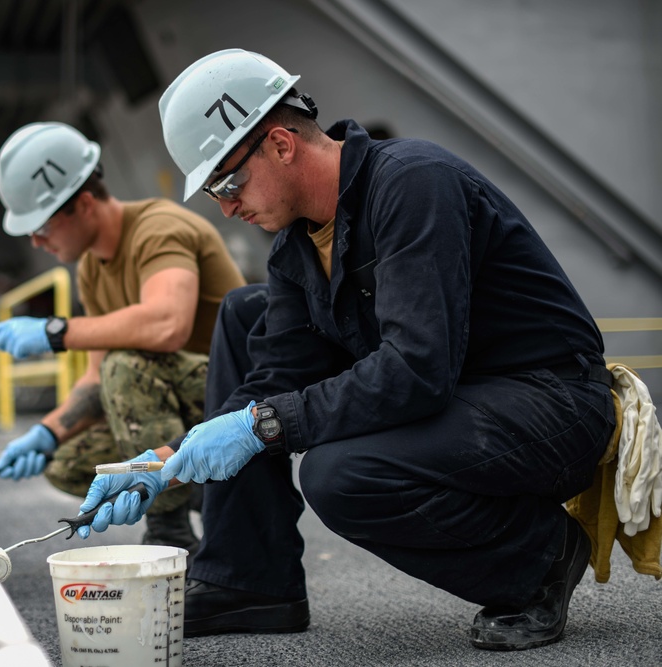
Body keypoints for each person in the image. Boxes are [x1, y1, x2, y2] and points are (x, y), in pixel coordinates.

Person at [75, 49, 616, 650]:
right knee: (242, 313)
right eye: (213, 193)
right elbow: (276, 373)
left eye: (228, 182)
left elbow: (416, 368)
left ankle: (540, 558)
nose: (226, 206)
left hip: (548, 403)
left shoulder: (413, 183)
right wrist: (166, 462)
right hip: (462, 396)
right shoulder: (293, 247)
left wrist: (265, 425)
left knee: (343, 476)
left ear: (281, 144)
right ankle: (249, 580)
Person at [0, 121, 246, 555]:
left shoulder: (158, 228)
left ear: (84, 204)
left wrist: (55, 332)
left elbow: (166, 324)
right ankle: (219, 488)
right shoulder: (91, 269)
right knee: (69, 464)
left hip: (235, 400)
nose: (34, 241)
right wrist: (47, 433)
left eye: (42, 226)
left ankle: (172, 533)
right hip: (183, 410)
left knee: (125, 365)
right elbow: (93, 380)